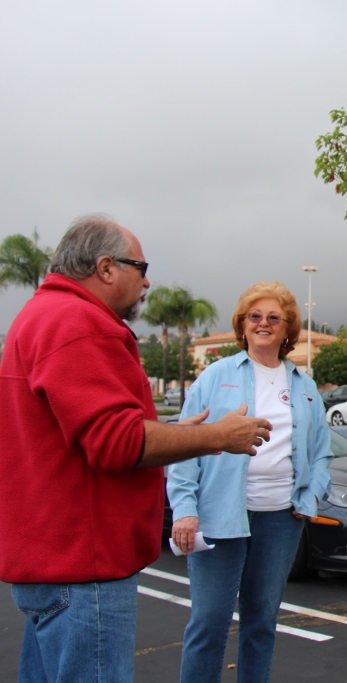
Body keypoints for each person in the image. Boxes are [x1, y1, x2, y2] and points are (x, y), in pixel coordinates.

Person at [0, 214, 272, 683]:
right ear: (106, 268)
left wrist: (171, 432)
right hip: (85, 571)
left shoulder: (40, 316)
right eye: (140, 267)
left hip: (50, 564)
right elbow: (116, 441)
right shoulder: (81, 322)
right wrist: (217, 437)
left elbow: (85, 431)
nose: (147, 282)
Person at [167, 281, 333, 683]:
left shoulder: (305, 387)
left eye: (274, 317)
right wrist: (185, 511)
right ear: (242, 325)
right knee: (209, 624)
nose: (263, 323)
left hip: (280, 519)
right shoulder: (215, 376)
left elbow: (322, 453)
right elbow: (184, 445)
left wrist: (309, 496)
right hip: (220, 518)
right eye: (254, 316)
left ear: (287, 328)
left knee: (261, 623)